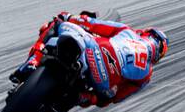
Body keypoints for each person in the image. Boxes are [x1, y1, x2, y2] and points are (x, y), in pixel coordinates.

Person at [10, 11, 168, 106]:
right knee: (99, 97)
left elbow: (93, 24)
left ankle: (33, 61)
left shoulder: (128, 32)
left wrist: (70, 17)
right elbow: (118, 97)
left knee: (56, 24)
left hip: (94, 50)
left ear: (145, 33)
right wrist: (93, 98)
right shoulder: (147, 75)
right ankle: (77, 97)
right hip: (103, 81)